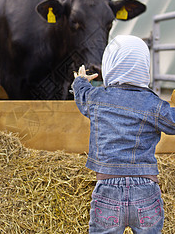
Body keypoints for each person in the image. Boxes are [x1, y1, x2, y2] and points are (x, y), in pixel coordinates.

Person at [72, 35, 175, 234]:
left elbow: (82, 95)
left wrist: (80, 81)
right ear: (145, 67)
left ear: (109, 65)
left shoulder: (97, 99)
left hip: (107, 187)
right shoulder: (153, 105)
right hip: (145, 188)